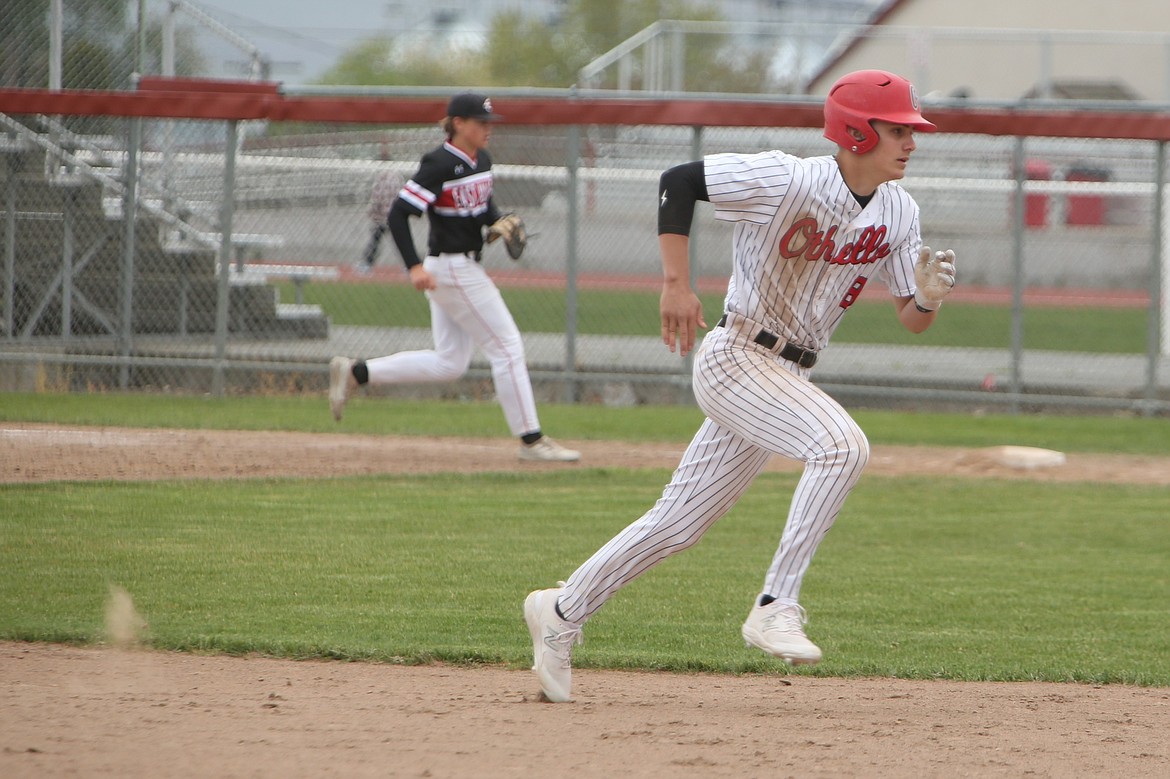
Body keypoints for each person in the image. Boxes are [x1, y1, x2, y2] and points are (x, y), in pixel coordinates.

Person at [523, 69, 957, 702]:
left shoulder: (899, 210)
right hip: (737, 356)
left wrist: (927, 296)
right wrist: (675, 283)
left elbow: (911, 321)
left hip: (788, 374)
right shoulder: (790, 177)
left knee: (677, 525)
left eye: (912, 130)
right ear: (857, 132)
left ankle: (560, 612)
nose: (912, 141)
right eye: (898, 129)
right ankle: (776, 603)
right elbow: (678, 182)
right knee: (842, 446)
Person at [329, 92, 580, 463]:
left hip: (461, 266)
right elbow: (398, 215)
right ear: (458, 123)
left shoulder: (483, 160)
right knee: (507, 347)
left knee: (450, 362)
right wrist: (413, 266)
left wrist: (496, 221)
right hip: (451, 268)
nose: (487, 129)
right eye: (481, 122)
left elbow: (482, 209)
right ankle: (532, 440)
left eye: (489, 123)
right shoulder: (439, 163)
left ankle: (357, 372)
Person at [360, 169, 404, 271]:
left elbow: (376, 198)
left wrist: (372, 212)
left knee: (376, 241)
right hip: (388, 217)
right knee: (376, 241)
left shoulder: (383, 178)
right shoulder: (397, 177)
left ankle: (367, 263)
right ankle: (367, 262)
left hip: (385, 217)